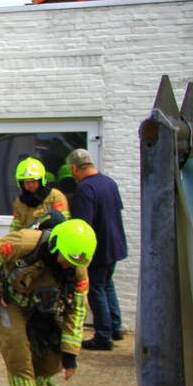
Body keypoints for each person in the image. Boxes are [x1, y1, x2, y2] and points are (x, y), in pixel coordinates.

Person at [0, 218, 95, 386]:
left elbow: (76, 311)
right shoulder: (25, 243)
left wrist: (70, 355)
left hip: (43, 308)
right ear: (56, 245)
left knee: (52, 355)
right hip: (10, 301)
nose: (67, 265)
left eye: (73, 263)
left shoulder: (77, 269)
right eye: (66, 259)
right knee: (17, 346)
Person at [66, 148, 127, 350]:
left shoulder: (85, 188)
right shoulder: (110, 183)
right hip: (115, 244)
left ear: (74, 168)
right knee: (108, 285)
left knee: (96, 289)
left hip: (98, 248)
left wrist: (79, 253)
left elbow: (83, 225)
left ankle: (103, 335)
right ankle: (115, 328)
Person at [9, 158, 70, 231]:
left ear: (41, 181)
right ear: (21, 183)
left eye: (33, 181)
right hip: (28, 240)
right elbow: (15, 228)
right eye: (26, 182)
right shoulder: (19, 202)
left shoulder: (55, 196)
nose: (30, 185)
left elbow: (63, 224)